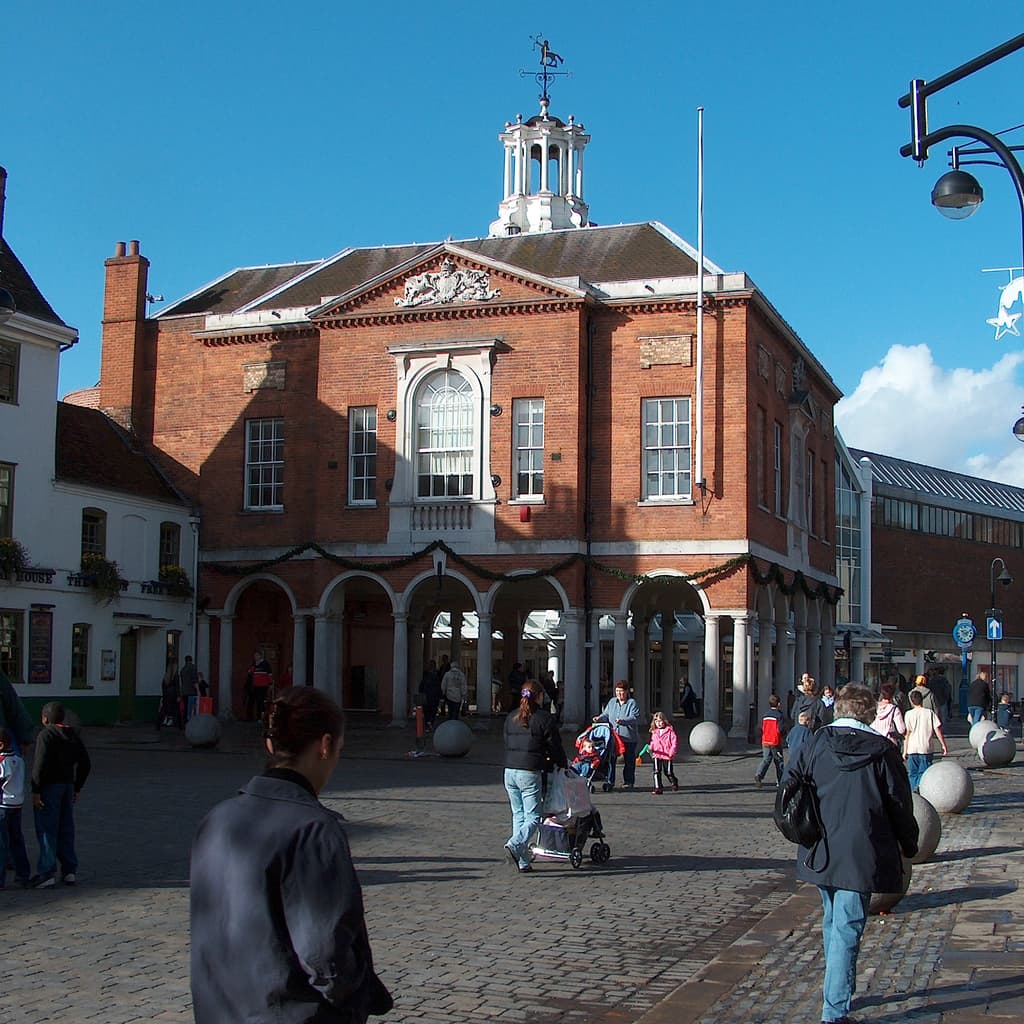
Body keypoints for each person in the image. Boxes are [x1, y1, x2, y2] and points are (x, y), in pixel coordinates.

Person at [190, 687, 393, 1023]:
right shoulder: (313, 830)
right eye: (339, 749)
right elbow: (324, 950)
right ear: (325, 746)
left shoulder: (216, 819)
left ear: (270, 744)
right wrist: (358, 994)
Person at [788, 683, 918, 1024]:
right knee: (845, 926)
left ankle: (837, 992)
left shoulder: (814, 743)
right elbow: (900, 803)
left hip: (819, 846)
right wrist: (909, 843)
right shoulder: (883, 750)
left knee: (834, 920)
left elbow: (791, 785)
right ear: (870, 713)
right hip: (861, 849)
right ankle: (835, 1010)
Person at [502, 679, 566, 873]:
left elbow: (506, 741)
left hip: (509, 770)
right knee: (534, 816)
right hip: (529, 771)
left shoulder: (511, 717)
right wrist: (562, 763)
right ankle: (514, 844)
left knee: (518, 814)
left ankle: (522, 861)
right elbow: (555, 746)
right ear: (539, 696)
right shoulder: (544, 718)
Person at [31, 701, 91, 888]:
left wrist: (36, 790)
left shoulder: (46, 734)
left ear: (45, 718)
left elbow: (39, 764)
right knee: (66, 828)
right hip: (67, 785)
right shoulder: (72, 734)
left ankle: (47, 872)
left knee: (47, 829)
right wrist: (77, 786)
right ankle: (69, 870)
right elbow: (85, 764)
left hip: (49, 788)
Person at [593, 680, 641, 789]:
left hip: (629, 737)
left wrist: (623, 721)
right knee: (611, 759)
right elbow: (606, 714)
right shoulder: (612, 702)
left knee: (629, 760)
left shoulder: (632, 703)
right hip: (614, 737)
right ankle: (610, 781)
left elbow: (635, 717)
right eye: (617, 691)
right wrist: (599, 718)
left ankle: (629, 781)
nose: (619, 694)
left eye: (622, 692)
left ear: (627, 692)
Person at [0, 726, 32, 889]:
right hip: (16, 804)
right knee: (17, 840)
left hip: (2, 805)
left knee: (2, 843)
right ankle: (23, 874)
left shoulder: (2, 762)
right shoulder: (18, 759)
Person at [904, 689, 948, 791]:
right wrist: (943, 745)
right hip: (925, 747)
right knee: (924, 772)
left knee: (912, 772)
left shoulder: (908, 714)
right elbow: (937, 730)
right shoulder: (929, 713)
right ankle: (921, 789)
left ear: (911, 701)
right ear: (922, 700)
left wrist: (905, 750)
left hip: (912, 747)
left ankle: (913, 792)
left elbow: (907, 734)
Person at [755, 695, 787, 787]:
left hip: (765, 740)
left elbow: (761, 727)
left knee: (766, 759)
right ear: (779, 704)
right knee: (779, 761)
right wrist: (784, 735)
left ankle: (759, 774)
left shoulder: (765, 715)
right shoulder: (779, 716)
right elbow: (781, 729)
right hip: (775, 741)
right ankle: (780, 781)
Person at [648, 711, 678, 795]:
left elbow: (674, 742)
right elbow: (653, 742)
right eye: (656, 721)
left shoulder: (670, 731)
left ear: (664, 721)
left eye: (660, 721)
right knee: (656, 771)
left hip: (667, 754)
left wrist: (672, 751)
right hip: (657, 754)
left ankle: (674, 781)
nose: (659, 723)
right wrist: (651, 748)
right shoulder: (654, 732)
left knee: (668, 772)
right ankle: (658, 787)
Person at [248, 650, 273, 724]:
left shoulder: (265, 664)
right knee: (252, 702)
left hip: (263, 686)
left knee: (261, 702)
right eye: (254, 656)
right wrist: (252, 668)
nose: (255, 657)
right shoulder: (254, 664)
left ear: (260, 656)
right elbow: (250, 672)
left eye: (256, 655)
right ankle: (252, 717)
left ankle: (261, 718)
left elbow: (269, 675)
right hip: (255, 686)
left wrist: (270, 684)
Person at [157, 661, 182, 730]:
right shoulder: (176, 676)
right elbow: (177, 687)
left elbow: (163, 686)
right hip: (173, 696)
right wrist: (178, 696)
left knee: (163, 710)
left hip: (166, 696)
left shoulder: (166, 677)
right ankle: (180, 726)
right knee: (177, 711)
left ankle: (158, 725)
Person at [417, 659, 442, 730]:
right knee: (431, 712)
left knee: (429, 711)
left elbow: (421, 686)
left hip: (429, 696)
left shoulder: (428, 675)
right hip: (432, 697)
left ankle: (428, 723)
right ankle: (429, 723)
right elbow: (439, 687)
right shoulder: (434, 675)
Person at [178, 655, 200, 722]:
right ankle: (190, 722)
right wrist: (198, 690)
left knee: (185, 708)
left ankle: (184, 722)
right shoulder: (193, 667)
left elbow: (182, 682)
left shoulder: (182, 669)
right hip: (191, 691)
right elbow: (194, 680)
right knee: (191, 708)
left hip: (184, 691)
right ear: (191, 660)